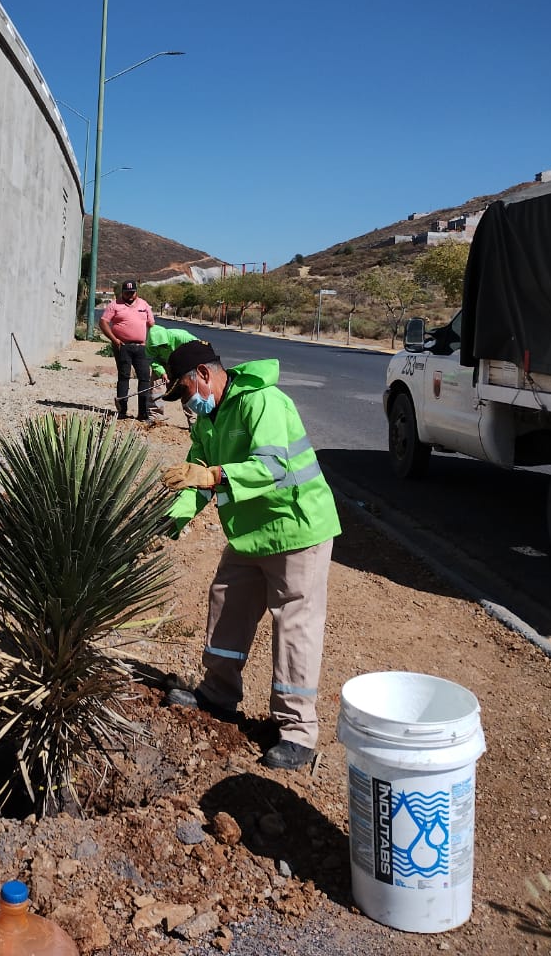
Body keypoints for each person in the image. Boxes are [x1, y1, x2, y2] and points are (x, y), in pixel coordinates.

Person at [159, 340, 341, 771]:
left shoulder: (263, 402)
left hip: (296, 528)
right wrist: (172, 520)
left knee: (294, 625)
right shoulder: (208, 420)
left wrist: (216, 474)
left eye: (184, 392)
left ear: (203, 374)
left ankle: (297, 733)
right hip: (250, 534)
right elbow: (196, 473)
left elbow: (273, 466)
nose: (186, 403)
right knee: (226, 601)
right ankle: (218, 695)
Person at [98, 280, 154, 422]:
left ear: (136, 292)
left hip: (141, 347)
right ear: (122, 292)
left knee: (144, 378)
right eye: (127, 292)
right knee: (124, 377)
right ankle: (122, 411)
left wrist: (149, 342)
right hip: (122, 347)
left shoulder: (144, 305)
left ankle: (143, 413)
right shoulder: (114, 305)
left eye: (132, 292)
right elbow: (103, 322)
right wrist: (114, 340)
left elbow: (151, 324)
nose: (130, 295)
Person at [145, 323, 198, 425]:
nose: (161, 347)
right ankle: (155, 417)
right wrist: (161, 372)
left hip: (185, 363)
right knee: (156, 385)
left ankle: (193, 421)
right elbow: (152, 359)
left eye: (163, 345)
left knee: (188, 388)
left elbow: (198, 348)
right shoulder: (150, 345)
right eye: (158, 346)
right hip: (164, 363)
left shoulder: (181, 337)